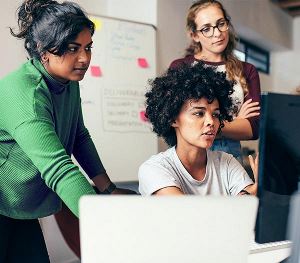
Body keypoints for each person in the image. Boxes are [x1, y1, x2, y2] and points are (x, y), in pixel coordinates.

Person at [0, 0, 135, 262]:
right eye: (73, 49)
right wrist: (106, 222)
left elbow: (79, 136)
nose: (84, 58)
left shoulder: (67, 82)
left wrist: (107, 189)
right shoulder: (25, 93)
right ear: (43, 50)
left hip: (19, 208)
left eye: (88, 48)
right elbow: (59, 168)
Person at [138, 62, 258, 196]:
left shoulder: (227, 162)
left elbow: (247, 209)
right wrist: (246, 197)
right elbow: (189, 213)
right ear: (173, 119)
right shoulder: (154, 168)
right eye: (199, 113)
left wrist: (254, 193)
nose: (211, 121)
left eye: (216, 115)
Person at [169, 0, 261, 162]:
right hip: (188, 156)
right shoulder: (181, 67)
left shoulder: (247, 70)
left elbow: (253, 129)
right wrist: (235, 122)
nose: (217, 33)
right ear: (194, 35)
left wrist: (200, 125)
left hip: (231, 156)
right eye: (206, 29)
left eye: (221, 24)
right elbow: (171, 119)